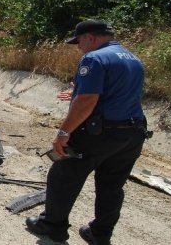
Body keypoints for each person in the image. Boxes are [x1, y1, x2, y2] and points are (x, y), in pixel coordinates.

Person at [25, 19, 149, 245]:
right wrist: (78, 90)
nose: (79, 47)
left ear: (90, 37)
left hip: (98, 134)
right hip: (131, 134)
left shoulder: (94, 58)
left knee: (63, 176)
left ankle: (52, 227)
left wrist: (63, 133)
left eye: (79, 41)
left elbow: (87, 101)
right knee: (111, 186)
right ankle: (100, 234)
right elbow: (116, 93)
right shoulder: (133, 59)